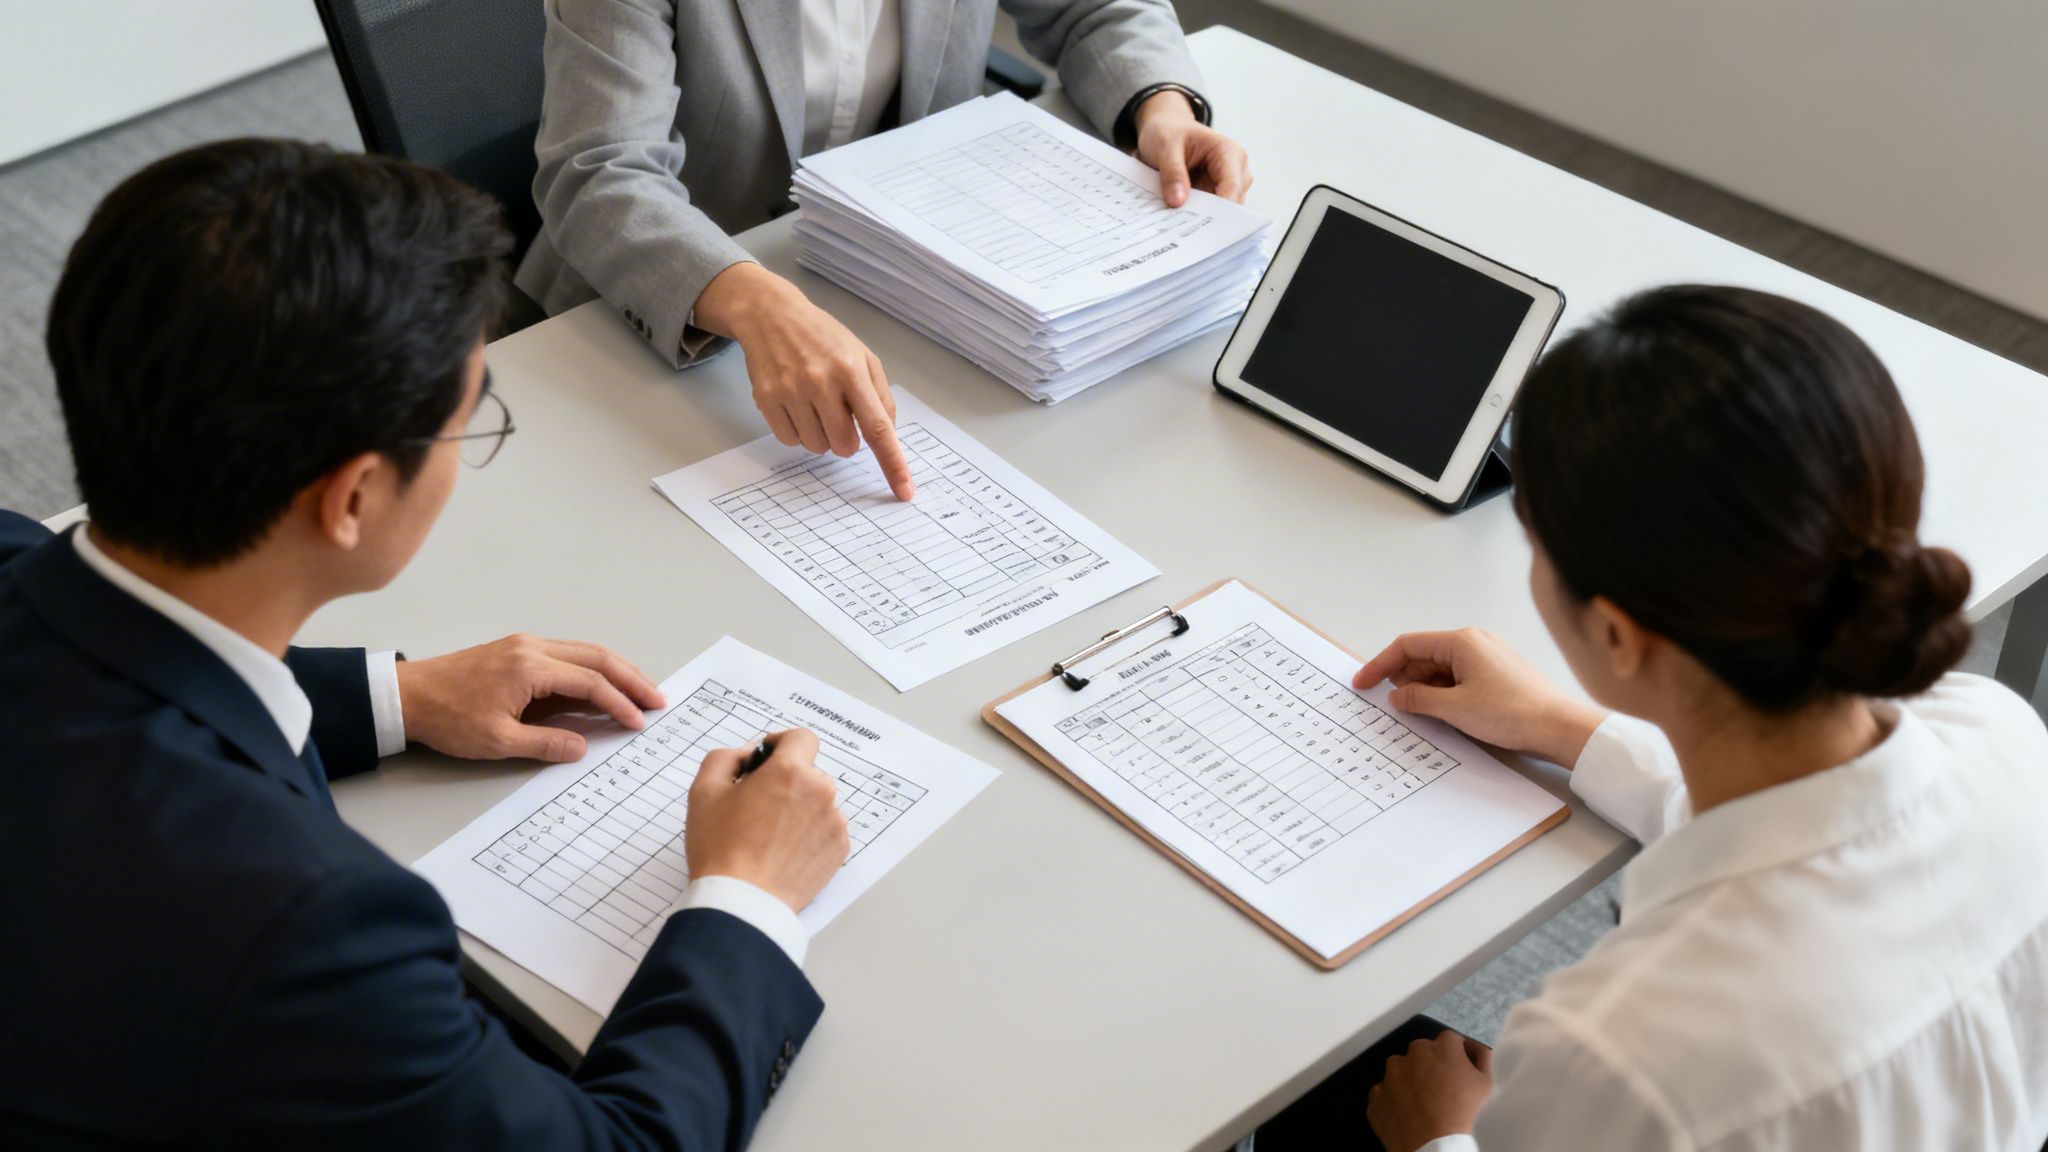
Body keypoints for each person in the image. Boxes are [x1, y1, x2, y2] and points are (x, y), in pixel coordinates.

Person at [0, 138, 851, 1149]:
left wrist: (398, 698)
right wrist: (745, 896)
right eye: (467, 420)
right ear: (353, 496)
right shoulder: (309, 928)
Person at [1260, 285, 2048, 1151]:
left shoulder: (1618, 1051)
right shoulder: (2000, 733)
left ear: (1616, 634)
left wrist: (1442, 1138)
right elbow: (1796, 822)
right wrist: (1567, 726)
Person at [515, 0, 1254, 502]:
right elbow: (600, 170)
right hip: (661, 320)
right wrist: (758, 300)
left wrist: (1161, 106)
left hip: (900, 296)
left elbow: (1096, 7)